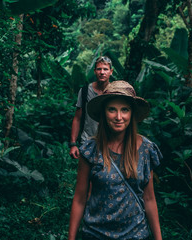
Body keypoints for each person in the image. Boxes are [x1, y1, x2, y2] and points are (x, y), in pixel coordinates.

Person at [68, 81, 163, 240]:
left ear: (131, 113)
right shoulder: (90, 150)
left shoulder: (146, 150)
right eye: (112, 109)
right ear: (104, 113)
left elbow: (149, 198)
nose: (119, 117)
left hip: (135, 235)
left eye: (124, 110)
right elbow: (79, 198)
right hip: (96, 234)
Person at [69, 56, 113, 159]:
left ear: (111, 72)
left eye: (105, 69)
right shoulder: (85, 91)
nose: (102, 72)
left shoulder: (115, 92)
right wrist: (73, 144)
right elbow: (77, 118)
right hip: (87, 142)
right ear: (94, 71)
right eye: (99, 69)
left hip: (110, 143)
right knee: (86, 174)